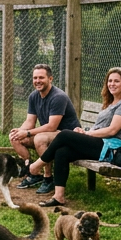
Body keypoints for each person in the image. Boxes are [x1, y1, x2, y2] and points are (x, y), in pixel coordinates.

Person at [27, 66, 121, 208]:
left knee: (65, 134)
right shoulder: (111, 103)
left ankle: (38, 164)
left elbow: (112, 130)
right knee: (63, 151)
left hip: (112, 147)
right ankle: (59, 197)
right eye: (109, 81)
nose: (112, 84)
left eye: (116, 81)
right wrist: (85, 131)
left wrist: (87, 134)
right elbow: (100, 127)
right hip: (100, 143)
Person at [9, 63, 81, 194]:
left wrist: (28, 132)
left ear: (50, 79)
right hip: (51, 134)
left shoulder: (58, 97)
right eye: (35, 78)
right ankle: (32, 172)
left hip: (69, 136)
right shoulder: (33, 96)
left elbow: (52, 126)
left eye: (41, 78)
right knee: (15, 137)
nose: (37, 81)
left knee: (40, 139)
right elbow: (30, 121)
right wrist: (20, 132)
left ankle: (48, 178)